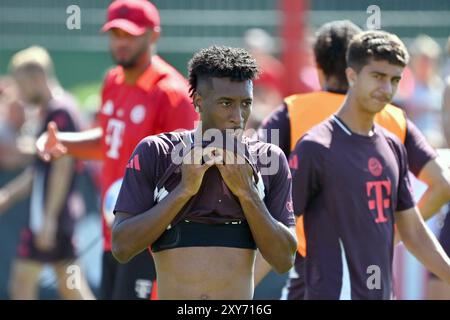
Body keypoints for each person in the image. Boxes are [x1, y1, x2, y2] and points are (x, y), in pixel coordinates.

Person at [257, 20, 450, 300]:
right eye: (378, 76)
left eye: (395, 80)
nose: (386, 89)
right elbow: (277, 229)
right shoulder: (315, 146)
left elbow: (415, 234)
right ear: (352, 75)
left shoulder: (392, 144)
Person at [36, 0, 198, 300]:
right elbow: (111, 143)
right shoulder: (113, 81)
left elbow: (187, 169)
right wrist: (65, 143)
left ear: (153, 36)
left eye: (130, 34)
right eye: (115, 34)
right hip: (115, 234)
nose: (121, 42)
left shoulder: (171, 94)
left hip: (150, 239)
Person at [111, 45, 297, 299]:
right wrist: (184, 190)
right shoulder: (156, 152)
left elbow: (284, 259)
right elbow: (122, 246)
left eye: (246, 104)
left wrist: (247, 193)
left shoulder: (268, 159)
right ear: (198, 101)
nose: (238, 117)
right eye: (226, 103)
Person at [0, 46, 94, 300]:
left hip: (53, 215)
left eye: (21, 84)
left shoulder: (59, 112)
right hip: (54, 215)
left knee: (23, 284)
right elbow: (41, 168)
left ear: (36, 78)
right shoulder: (55, 109)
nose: (19, 93)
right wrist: (8, 195)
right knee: (70, 286)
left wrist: (49, 219)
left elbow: (62, 167)